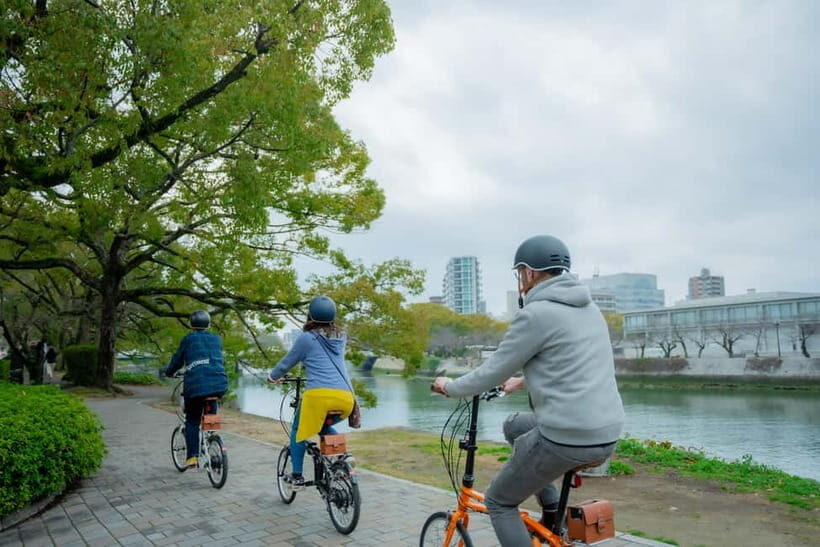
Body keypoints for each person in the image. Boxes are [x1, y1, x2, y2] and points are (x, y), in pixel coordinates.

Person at [431, 235, 625, 546]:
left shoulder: (536, 314)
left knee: (499, 500)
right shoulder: (591, 310)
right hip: (606, 430)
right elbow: (577, 364)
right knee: (515, 426)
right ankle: (551, 512)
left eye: (520, 273)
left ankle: (543, 513)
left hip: (568, 434)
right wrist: (521, 382)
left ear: (529, 272)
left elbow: (492, 370)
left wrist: (449, 387)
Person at [267, 296, 355, 490]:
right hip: (346, 398)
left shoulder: (306, 338)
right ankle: (344, 455)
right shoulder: (341, 336)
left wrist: (272, 377)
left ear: (310, 315)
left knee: (298, 430)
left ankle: (297, 477)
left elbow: (286, 363)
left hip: (319, 397)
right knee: (321, 426)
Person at [161, 310, 228, 469]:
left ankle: (192, 457)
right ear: (208, 324)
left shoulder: (188, 339)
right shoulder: (216, 339)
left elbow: (177, 359)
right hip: (219, 383)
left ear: (191, 325)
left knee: (192, 419)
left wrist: (169, 372)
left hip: (196, 386)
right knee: (210, 410)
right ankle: (211, 437)